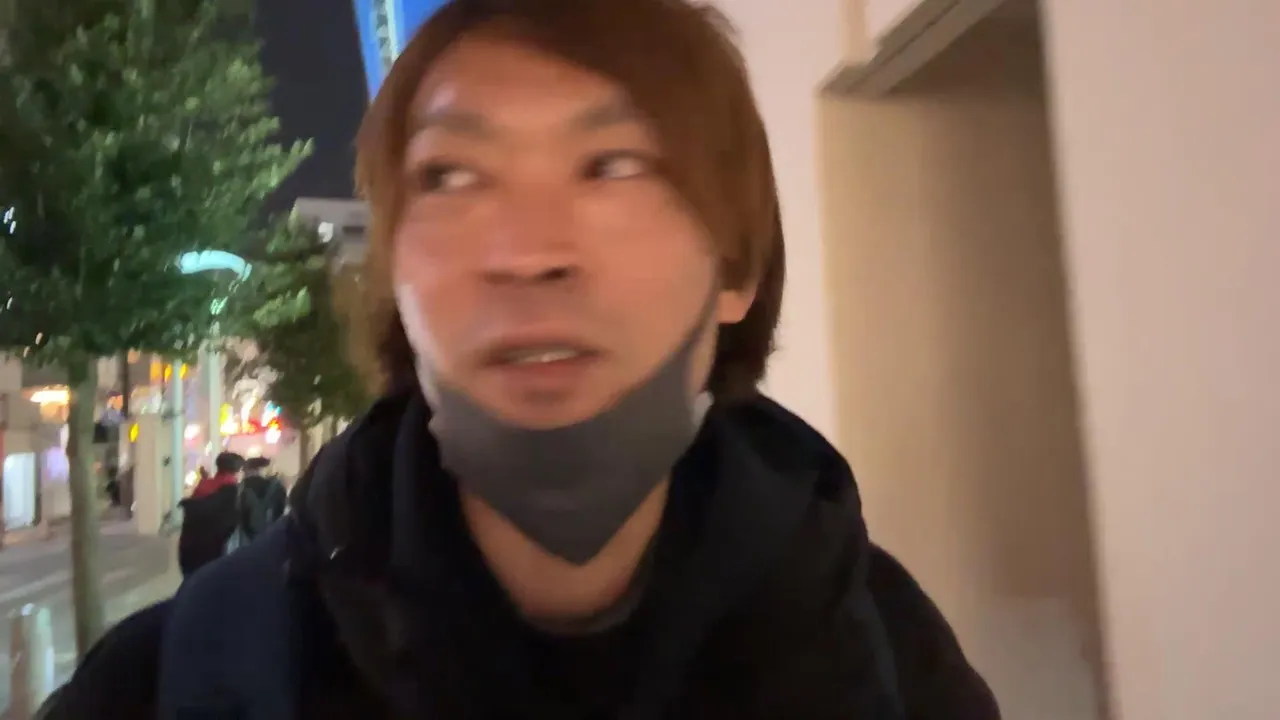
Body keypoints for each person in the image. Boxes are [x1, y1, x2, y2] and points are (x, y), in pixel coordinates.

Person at [42, 1, 1000, 718]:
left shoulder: (891, 664)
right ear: (394, 276)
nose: (526, 251)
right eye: (452, 176)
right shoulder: (183, 679)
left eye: (614, 165)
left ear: (736, 267)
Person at [175, 452, 243, 577]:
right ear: (237, 470)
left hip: (190, 550)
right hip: (215, 553)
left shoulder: (203, 485)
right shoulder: (233, 491)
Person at [236, 456, 288, 541]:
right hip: (272, 535)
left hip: (247, 537)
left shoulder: (242, 488)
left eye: (245, 470)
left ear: (253, 470)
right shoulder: (278, 486)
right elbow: (281, 511)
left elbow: (239, 513)